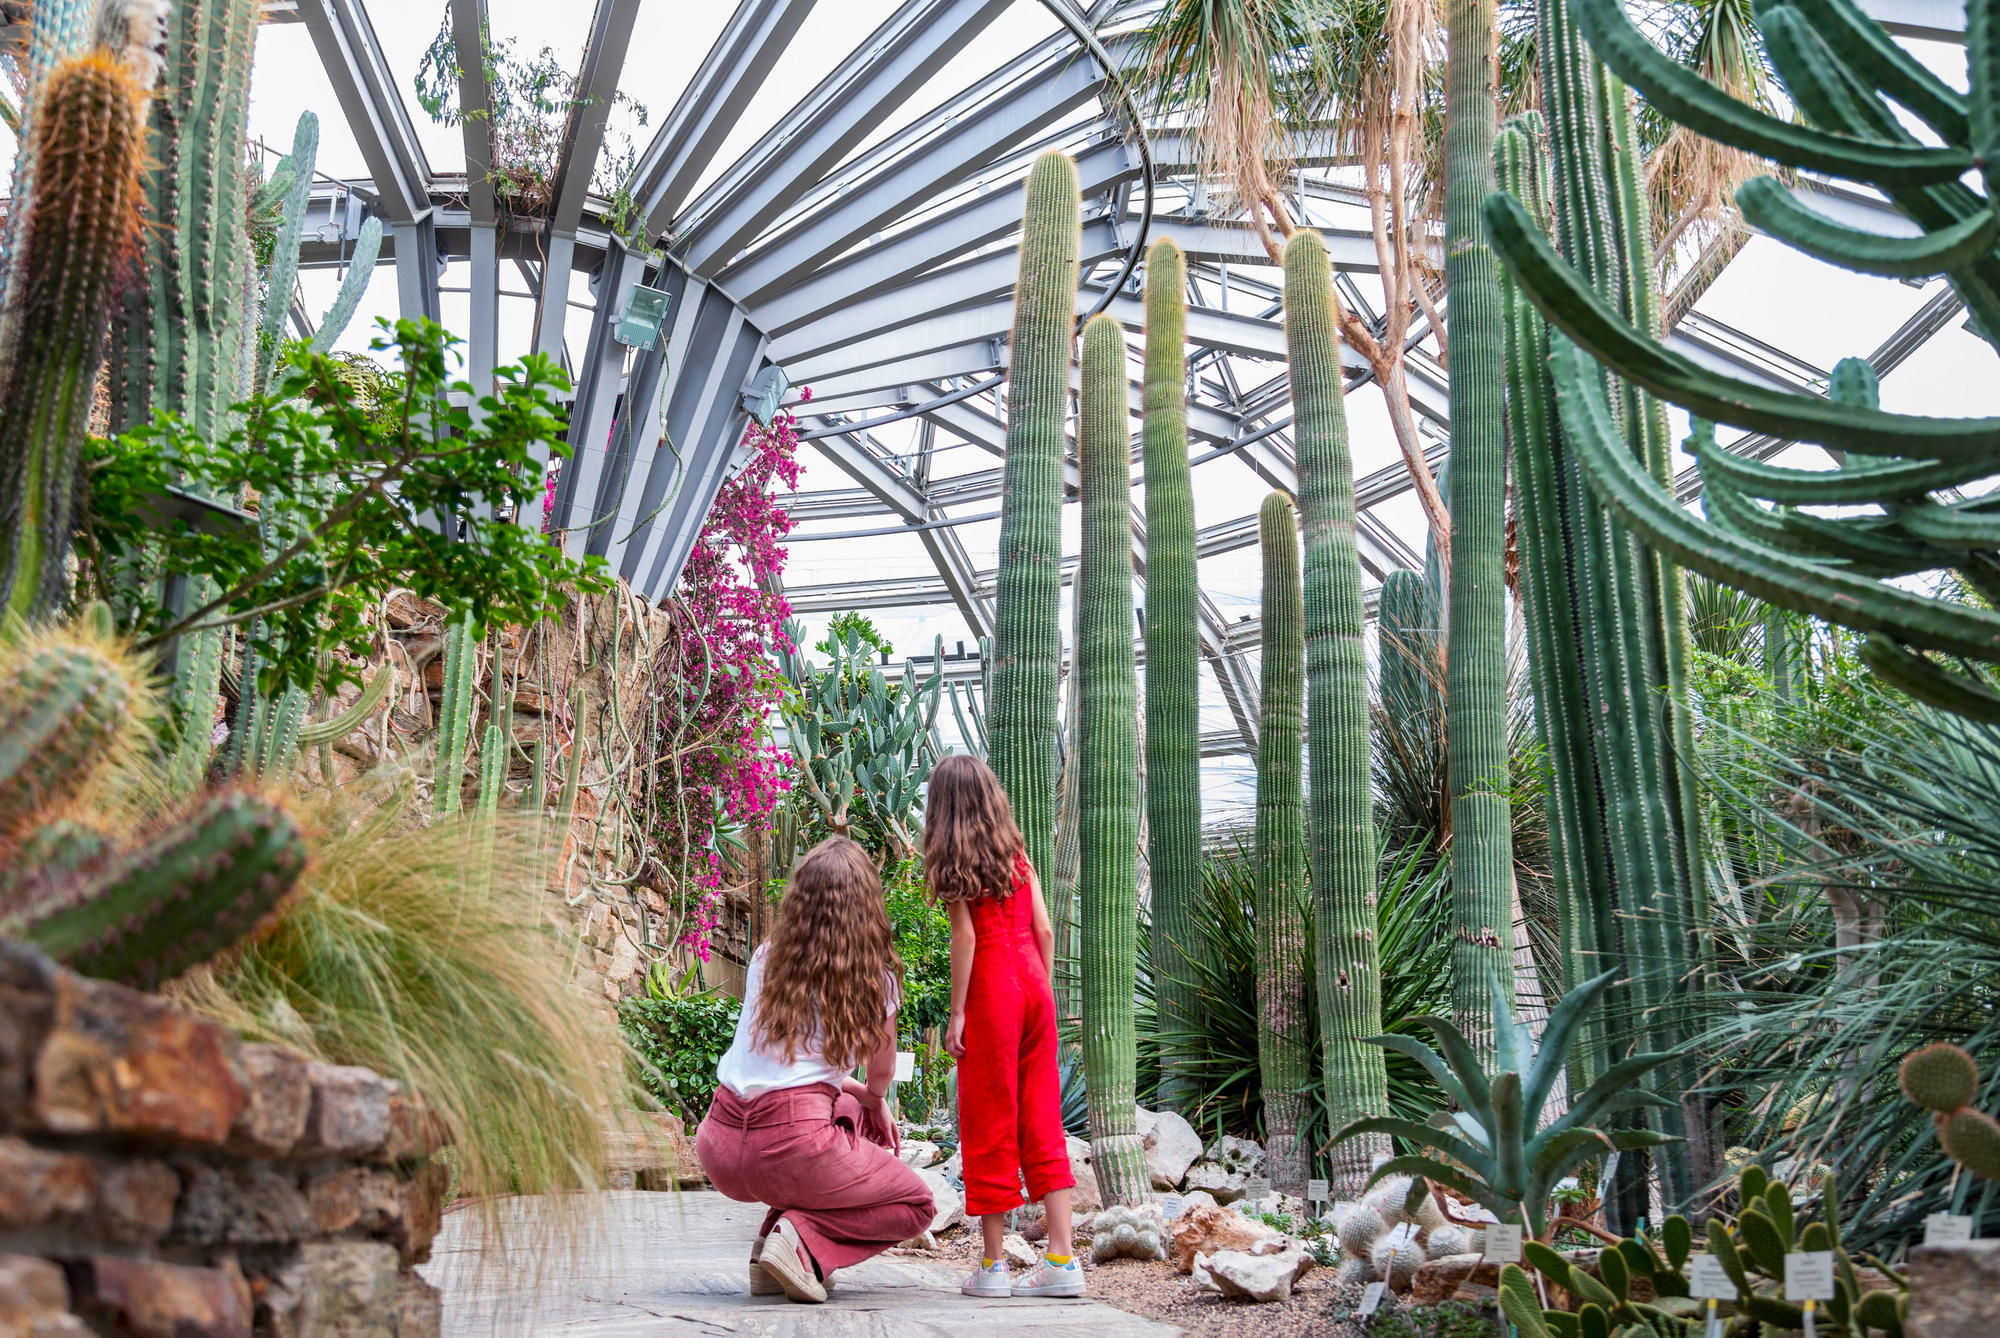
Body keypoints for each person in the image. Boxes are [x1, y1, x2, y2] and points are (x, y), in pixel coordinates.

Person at [695, 837, 934, 1304]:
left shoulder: (768, 959)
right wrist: (876, 1097)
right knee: (916, 1203)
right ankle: (801, 1244)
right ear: (866, 906)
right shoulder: (875, 981)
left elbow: (789, 1071)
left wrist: (862, 1098)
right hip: (789, 1148)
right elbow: (881, 1076)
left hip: (720, 1143)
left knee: (845, 1102)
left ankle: (768, 1254)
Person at [926, 752, 1083, 1299]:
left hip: (992, 990)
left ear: (943, 808)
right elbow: (1043, 928)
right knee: (1043, 1116)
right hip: (1035, 985)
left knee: (989, 1118)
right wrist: (1043, 992)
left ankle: (994, 1268)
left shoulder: (952, 864)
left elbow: (966, 939)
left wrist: (958, 1013)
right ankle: (1061, 1259)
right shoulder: (1017, 855)